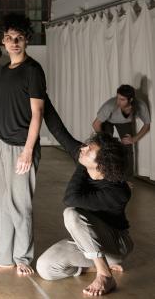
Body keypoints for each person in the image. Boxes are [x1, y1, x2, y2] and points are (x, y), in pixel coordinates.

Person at [36, 97, 133, 296]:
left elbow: (71, 198)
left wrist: (81, 164)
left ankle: (105, 275)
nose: (83, 149)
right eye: (86, 146)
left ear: (102, 164)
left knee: (71, 214)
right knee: (45, 268)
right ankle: (94, 267)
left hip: (115, 244)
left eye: (89, 150)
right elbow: (58, 130)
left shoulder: (117, 191)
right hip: (89, 242)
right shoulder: (87, 160)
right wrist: (41, 95)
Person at [0, 13, 46, 275]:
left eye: (19, 38)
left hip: (21, 146)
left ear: (26, 40)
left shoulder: (33, 70)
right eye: (9, 38)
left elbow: (37, 113)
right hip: (0, 143)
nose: (14, 42)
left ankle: (23, 258)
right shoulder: (5, 71)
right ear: (3, 42)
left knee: (19, 203)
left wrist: (28, 151)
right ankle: (3, 255)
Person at [92, 84, 151, 178]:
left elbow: (147, 125)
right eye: (118, 98)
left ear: (131, 100)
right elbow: (96, 124)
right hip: (107, 121)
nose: (118, 102)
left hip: (124, 122)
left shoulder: (140, 105)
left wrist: (134, 139)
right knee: (106, 146)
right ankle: (104, 173)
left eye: (122, 99)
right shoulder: (109, 105)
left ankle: (127, 179)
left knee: (127, 145)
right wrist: (103, 139)